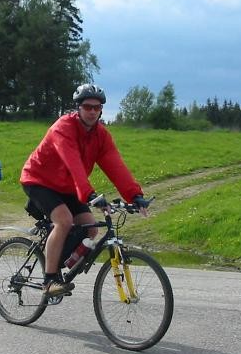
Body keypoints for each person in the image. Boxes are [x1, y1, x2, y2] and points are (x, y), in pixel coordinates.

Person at [20, 83, 151, 297]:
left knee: (91, 228)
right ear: (78, 108)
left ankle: (59, 260)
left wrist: (135, 195)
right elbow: (73, 164)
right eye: (87, 107)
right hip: (39, 180)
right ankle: (49, 280)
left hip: (68, 186)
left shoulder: (101, 135)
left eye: (97, 108)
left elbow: (115, 165)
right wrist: (89, 194)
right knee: (64, 221)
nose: (92, 111)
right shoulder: (63, 127)